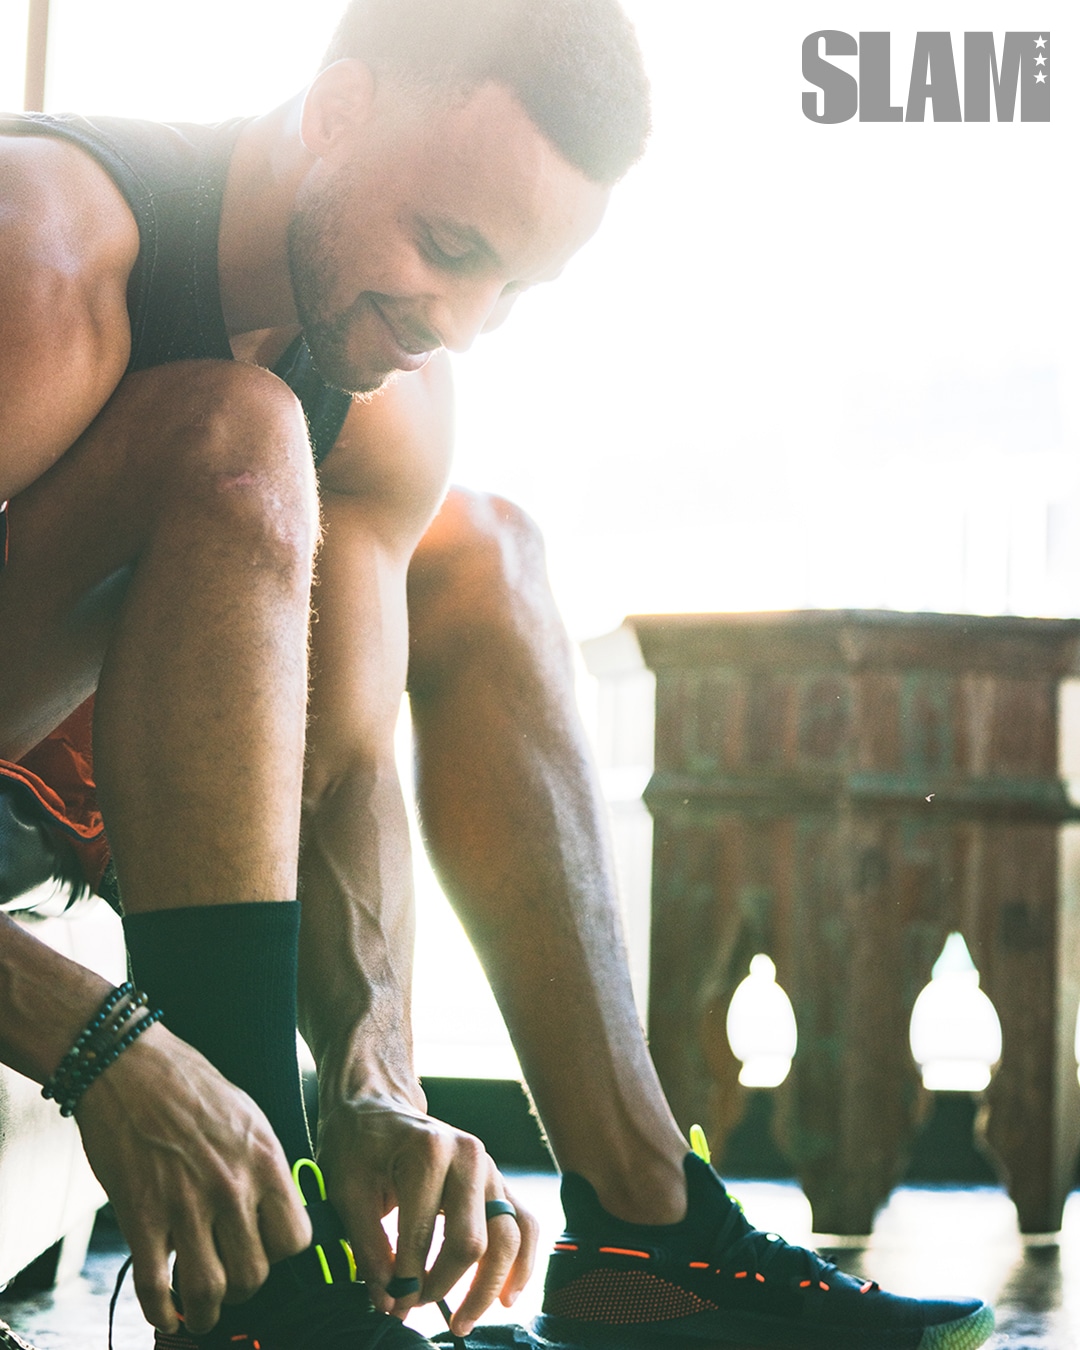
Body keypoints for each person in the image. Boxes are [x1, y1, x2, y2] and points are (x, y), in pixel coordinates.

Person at [0, 2, 994, 1348]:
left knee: (479, 551)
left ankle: (649, 1225)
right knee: (237, 440)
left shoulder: (391, 376)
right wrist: (102, 1036)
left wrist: (372, 1075)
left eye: (511, 286)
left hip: (123, 773)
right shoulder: (44, 261)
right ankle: (258, 1295)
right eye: (447, 246)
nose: (457, 322)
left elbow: (340, 763)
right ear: (336, 113)